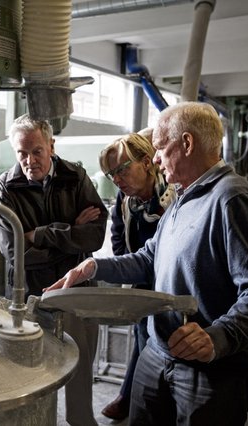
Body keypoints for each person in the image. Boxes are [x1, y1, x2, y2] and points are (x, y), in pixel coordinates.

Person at [45, 101, 248, 425]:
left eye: (160, 148)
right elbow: (149, 258)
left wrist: (219, 336)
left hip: (209, 368)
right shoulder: (181, 198)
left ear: (187, 143)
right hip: (157, 352)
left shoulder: (231, 198)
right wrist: (94, 267)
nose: (155, 158)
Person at [0, 113, 107, 426]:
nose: (29, 161)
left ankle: (82, 421)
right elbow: (16, 254)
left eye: (37, 151)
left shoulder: (76, 177)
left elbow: (95, 236)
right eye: (22, 153)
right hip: (32, 292)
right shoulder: (6, 186)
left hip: (77, 290)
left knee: (80, 364)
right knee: (31, 368)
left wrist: (39, 234)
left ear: (51, 146)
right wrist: (71, 231)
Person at [98, 130, 176, 421]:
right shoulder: (124, 201)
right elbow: (119, 241)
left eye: (121, 170)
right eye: (110, 175)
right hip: (142, 282)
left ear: (146, 162)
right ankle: (136, 399)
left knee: (160, 345)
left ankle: (144, 402)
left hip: (172, 284)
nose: (117, 180)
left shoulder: (174, 192)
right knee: (144, 338)